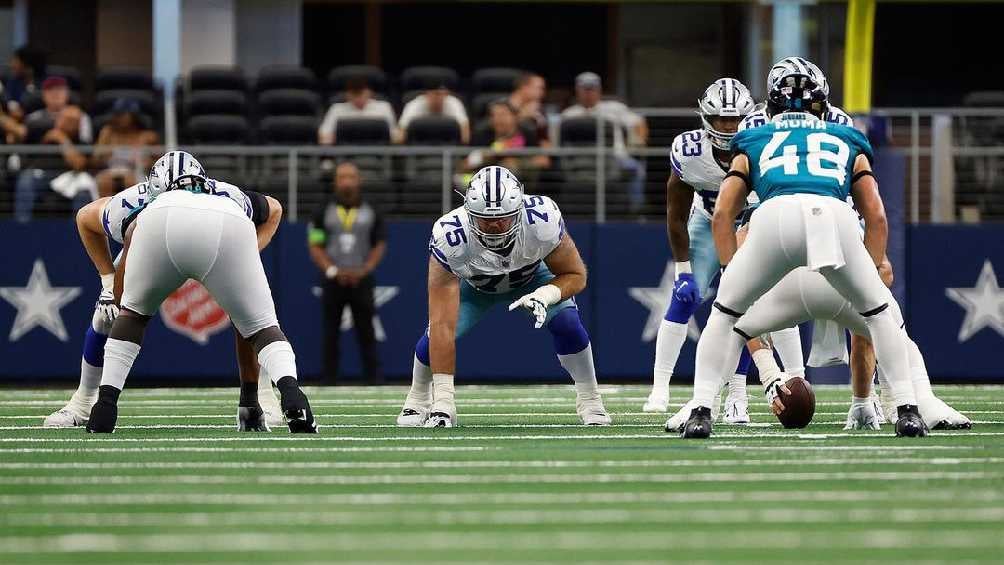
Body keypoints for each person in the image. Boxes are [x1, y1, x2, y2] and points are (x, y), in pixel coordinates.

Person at [678, 71, 927, 439]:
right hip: (833, 217)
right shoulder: (846, 136)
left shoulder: (753, 138)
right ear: (824, 107)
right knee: (880, 315)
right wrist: (872, 270)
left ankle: (700, 411)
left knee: (725, 316)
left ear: (771, 107)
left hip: (774, 218)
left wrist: (732, 270)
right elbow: (875, 214)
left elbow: (722, 214)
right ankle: (907, 409)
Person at [85, 151, 317, 434]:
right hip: (228, 220)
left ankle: (105, 407)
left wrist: (111, 287)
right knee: (261, 328)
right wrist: (249, 252)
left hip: (158, 222)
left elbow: (88, 218)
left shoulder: (134, 201)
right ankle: (290, 396)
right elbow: (274, 208)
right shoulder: (227, 191)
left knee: (132, 316)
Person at [665, 223, 970, 432]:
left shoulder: (764, 179)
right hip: (840, 285)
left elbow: (731, 256)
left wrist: (770, 374)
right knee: (890, 326)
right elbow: (884, 270)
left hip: (782, 291)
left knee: (726, 322)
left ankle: (702, 406)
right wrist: (862, 400)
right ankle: (916, 403)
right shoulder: (842, 182)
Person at [44, 172, 286, 430]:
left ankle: (263, 396)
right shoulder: (130, 202)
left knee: (250, 312)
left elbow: (274, 209)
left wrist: (250, 249)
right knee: (107, 313)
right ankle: (83, 401)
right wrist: (107, 281)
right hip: (151, 249)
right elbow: (85, 218)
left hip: (212, 243)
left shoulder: (225, 193)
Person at [396, 165, 610, 428]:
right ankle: (418, 398)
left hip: (532, 279)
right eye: (485, 218)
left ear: (519, 210)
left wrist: (545, 295)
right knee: (434, 337)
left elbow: (576, 275)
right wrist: (444, 404)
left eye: (504, 217)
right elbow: (441, 324)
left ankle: (591, 400)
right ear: (469, 213)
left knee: (568, 325)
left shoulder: (541, 219)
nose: (495, 225)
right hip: (475, 288)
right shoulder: (450, 236)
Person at [645, 78, 807, 424]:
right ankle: (660, 388)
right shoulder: (689, 152)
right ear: (706, 117)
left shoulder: (766, 141)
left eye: (735, 119)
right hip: (707, 222)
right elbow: (675, 214)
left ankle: (782, 382)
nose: (729, 127)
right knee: (687, 297)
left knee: (768, 301)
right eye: (721, 119)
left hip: (757, 221)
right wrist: (682, 270)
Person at [308, 161, 387, 383]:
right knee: (330, 332)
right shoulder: (323, 210)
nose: (347, 183)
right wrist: (331, 270)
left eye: (351, 177)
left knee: (367, 331)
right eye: (342, 178)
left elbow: (379, 244)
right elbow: (315, 244)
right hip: (333, 280)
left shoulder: (372, 209)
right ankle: (329, 378)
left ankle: (374, 379)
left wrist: (365, 270)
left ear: (359, 180)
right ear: (335, 181)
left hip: (362, 280)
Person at [560, 72, 647, 211]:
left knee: (637, 170)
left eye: (592, 89)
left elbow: (639, 122)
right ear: (577, 91)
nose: (588, 93)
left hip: (616, 157)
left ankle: (637, 211)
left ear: (599, 90)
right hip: (579, 162)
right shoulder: (569, 114)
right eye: (585, 89)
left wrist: (637, 144)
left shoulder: (614, 108)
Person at [14, 76, 94, 221]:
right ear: (44, 94)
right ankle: (22, 233)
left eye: (60, 90)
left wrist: (60, 137)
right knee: (25, 182)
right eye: (51, 90)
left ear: (67, 93)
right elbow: (23, 148)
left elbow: (85, 156)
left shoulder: (81, 118)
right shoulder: (33, 119)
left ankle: (78, 238)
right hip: (40, 170)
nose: (56, 94)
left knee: (83, 193)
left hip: (70, 173)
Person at [465, 100, 549, 180]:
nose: (497, 119)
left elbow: (543, 161)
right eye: (493, 115)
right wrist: (485, 156)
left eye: (502, 114)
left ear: (515, 117)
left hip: (523, 183)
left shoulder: (528, 134)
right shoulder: (482, 135)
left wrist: (519, 163)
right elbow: (465, 164)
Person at [92, 98, 158, 197]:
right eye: (118, 114)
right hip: (111, 170)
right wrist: (104, 148)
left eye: (123, 114)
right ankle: (103, 210)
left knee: (131, 182)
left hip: (136, 172)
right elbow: (95, 159)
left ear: (134, 116)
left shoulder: (147, 136)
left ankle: (135, 211)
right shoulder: (108, 133)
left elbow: (159, 162)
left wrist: (147, 162)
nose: (120, 117)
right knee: (104, 181)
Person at [318, 78, 398, 144]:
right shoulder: (336, 109)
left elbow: (394, 136)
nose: (358, 98)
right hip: (344, 155)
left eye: (361, 93)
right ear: (347, 94)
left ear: (369, 92)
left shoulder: (384, 107)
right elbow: (323, 136)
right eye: (354, 94)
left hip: (378, 153)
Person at [399, 84, 470, 144]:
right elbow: (399, 137)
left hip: (448, 150)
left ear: (446, 94)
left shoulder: (454, 104)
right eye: (434, 94)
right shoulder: (414, 105)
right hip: (418, 150)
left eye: (440, 94)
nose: (438, 98)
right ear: (427, 94)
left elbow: (465, 138)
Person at [4, 46, 47, 118]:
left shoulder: (48, 85)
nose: (12, 65)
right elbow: (9, 101)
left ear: (27, 65)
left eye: (15, 61)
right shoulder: (13, 82)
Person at [508, 73, 549, 144]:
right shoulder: (504, 106)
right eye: (539, 88)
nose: (542, 93)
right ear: (524, 88)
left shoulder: (537, 108)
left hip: (531, 150)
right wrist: (523, 116)